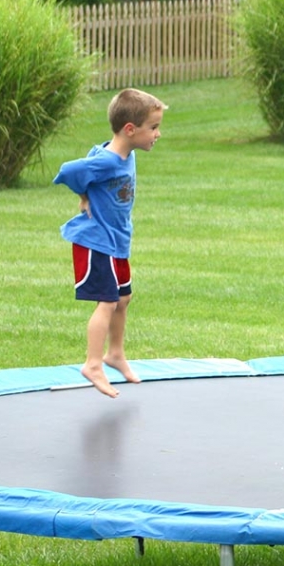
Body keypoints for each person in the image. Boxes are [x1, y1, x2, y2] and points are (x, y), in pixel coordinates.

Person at [53, 88, 167, 397]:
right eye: (153, 127)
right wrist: (83, 196)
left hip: (118, 241)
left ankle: (115, 354)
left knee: (124, 298)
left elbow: (91, 158)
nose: (158, 134)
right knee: (108, 301)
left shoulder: (123, 152)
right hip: (96, 242)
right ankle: (92, 363)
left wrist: (87, 192)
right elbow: (69, 171)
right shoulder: (106, 161)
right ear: (130, 129)